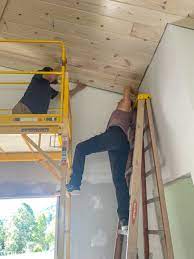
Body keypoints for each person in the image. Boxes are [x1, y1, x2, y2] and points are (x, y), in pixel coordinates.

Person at [66, 86, 137, 234]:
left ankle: (75, 184)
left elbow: (126, 89)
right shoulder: (126, 115)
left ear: (127, 103)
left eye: (122, 101)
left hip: (114, 136)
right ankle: (124, 220)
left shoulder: (124, 107)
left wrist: (130, 91)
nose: (119, 102)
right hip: (121, 143)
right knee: (119, 181)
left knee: (80, 148)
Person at [12, 66, 86, 114]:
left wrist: (78, 88)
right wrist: (61, 66)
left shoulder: (49, 90)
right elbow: (52, 76)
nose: (57, 78)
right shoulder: (37, 76)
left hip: (35, 116)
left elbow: (65, 96)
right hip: (23, 110)